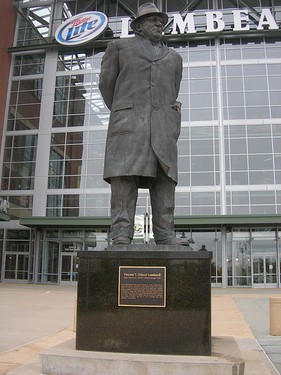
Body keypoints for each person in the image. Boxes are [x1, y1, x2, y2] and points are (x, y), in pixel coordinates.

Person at [99, 3, 189, 246]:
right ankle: (121, 234)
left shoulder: (174, 58)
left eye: (161, 21)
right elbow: (107, 87)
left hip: (163, 129)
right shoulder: (118, 48)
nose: (159, 24)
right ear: (138, 26)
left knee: (164, 179)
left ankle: (165, 234)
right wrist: (127, 110)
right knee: (124, 180)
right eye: (152, 20)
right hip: (128, 126)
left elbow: (172, 91)